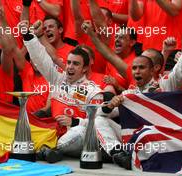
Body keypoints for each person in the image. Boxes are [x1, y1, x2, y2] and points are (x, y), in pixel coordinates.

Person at [98, 32, 182, 170]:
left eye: (142, 68)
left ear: (153, 71)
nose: (137, 72)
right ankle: (118, 154)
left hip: (160, 138)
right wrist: (109, 106)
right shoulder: (129, 95)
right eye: (134, 68)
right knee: (99, 120)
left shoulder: (165, 85)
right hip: (133, 142)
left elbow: (181, 71)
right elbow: (100, 115)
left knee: (147, 133)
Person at [22, 20, 114, 163]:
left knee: (79, 132)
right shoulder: (58, 79)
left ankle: (53, 151)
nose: (70, 67)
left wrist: (75, 122)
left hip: (79, 134)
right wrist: (28, 36)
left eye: (75, 64)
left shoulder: (92, 89)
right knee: (25, 129)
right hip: (55, 133)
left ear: (84, 68)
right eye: (69, 62)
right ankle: (50, 150)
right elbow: (41, 59)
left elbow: (99, 120)